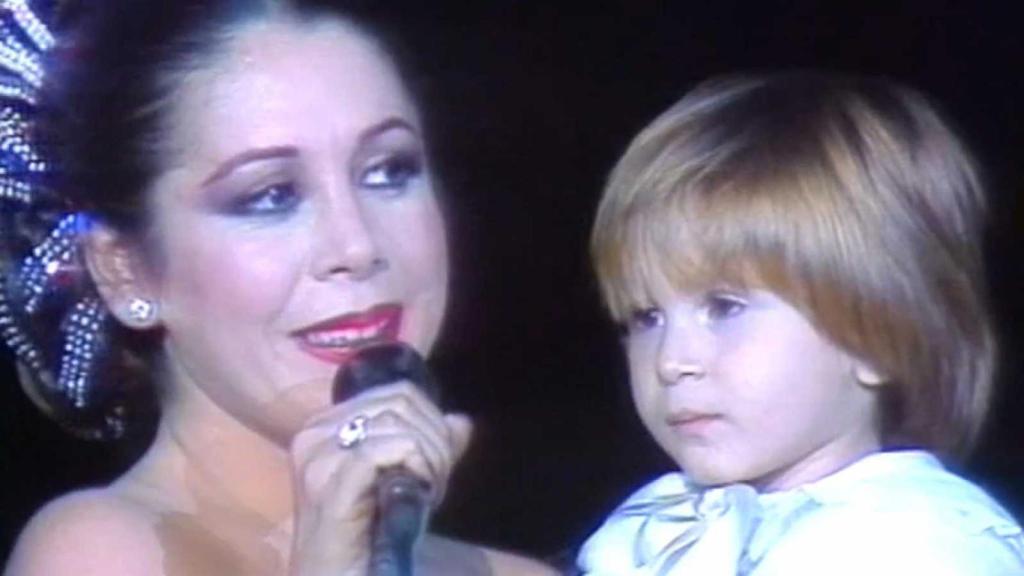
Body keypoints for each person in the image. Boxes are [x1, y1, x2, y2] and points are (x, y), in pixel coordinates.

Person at [0, 1, 556, 574]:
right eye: (270, 195)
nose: (357, 245)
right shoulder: (97, 553)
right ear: (125, 270)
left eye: (389, 170)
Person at [578, 71, 1024, 574]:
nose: (671, 361)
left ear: (876, 337)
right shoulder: (654, 521)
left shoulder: (922, 540)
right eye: (646, 317)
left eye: (725, 307)